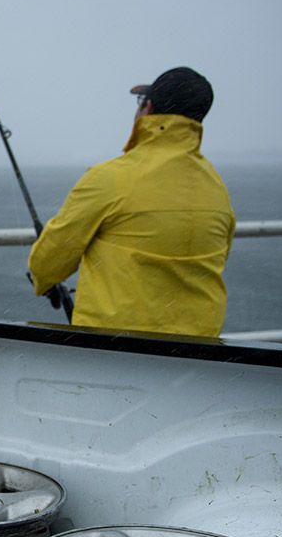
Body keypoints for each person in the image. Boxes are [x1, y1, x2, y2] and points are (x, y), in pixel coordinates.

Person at [28, 67, 235, 337]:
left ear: (147, 108)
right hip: (196, 351)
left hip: (118, 351)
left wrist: (41, 279)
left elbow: (49, 261)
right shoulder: (216, 187)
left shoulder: (110, 178)